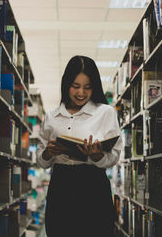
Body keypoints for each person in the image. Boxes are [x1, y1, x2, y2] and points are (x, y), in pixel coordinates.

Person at [36, 55, 123, 237]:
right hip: (61, 183)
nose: (81, 93)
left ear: (94, 87)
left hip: (93, 184)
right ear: (66, 84)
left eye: (87, 87)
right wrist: (48, 153)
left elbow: (114, 157)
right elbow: (42, 162)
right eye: (75, 86)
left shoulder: (105, 113)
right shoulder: (52, 117)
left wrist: (98, 155)